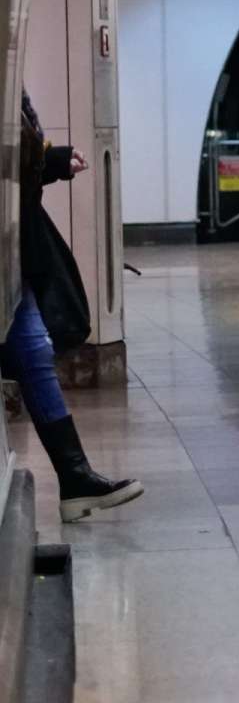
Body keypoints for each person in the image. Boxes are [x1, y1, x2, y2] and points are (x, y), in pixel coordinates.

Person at [2, 93, 141, 522]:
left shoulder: (12, 85)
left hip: (12, 246)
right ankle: (74, 475)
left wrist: (53, 161)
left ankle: (74, 476)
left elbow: (13, 163)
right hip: (9, 246)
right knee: (32, 351)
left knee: (34, 351)